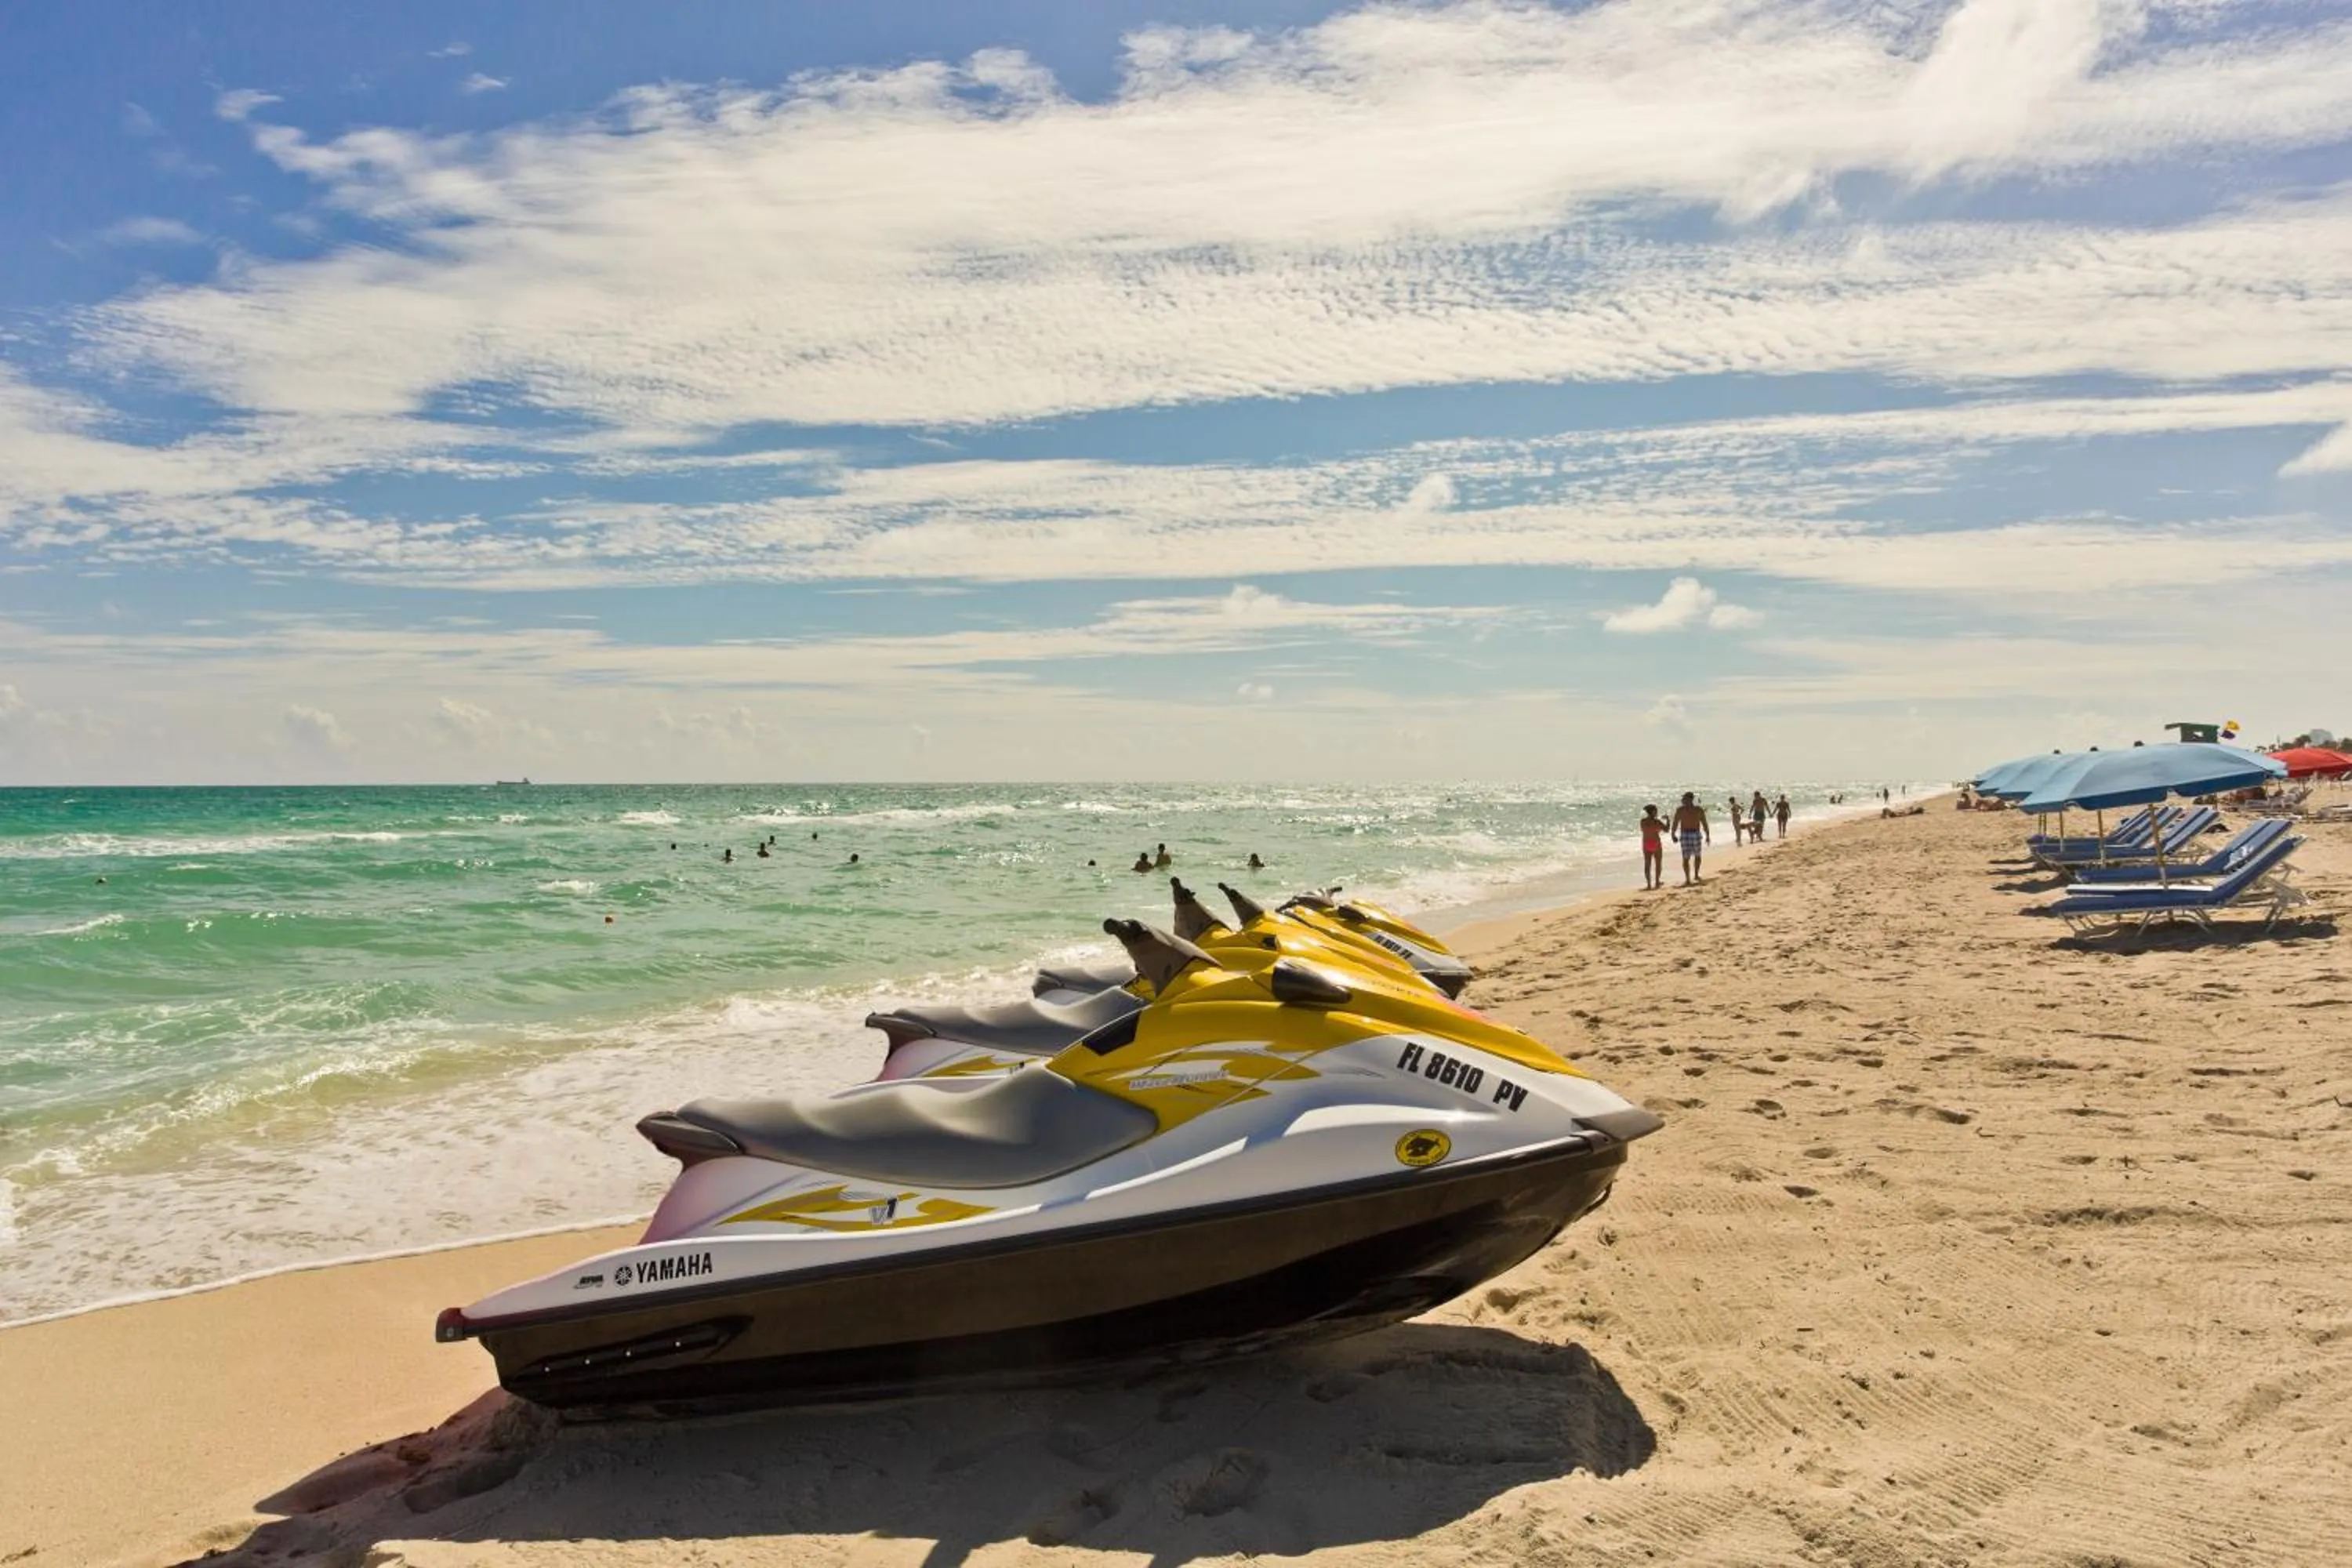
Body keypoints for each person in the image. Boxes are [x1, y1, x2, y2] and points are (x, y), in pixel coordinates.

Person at [1671, 792, 1710, 884]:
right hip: (1685, 834)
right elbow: (1675, 823)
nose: (1682, 800)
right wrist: (1673, 834)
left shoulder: (1698, 810)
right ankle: (1688, 878)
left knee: (1697, 856)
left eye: (1684, 799)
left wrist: (1708, 835)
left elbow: (1704, 823)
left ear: (1690, 799)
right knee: (1686, 858)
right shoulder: (1680, 810)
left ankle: (1696, 874)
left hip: (1695, 834)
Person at [1639, 804, 1665, 890]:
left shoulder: (1642, 822)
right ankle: (1657, 882)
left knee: (1647, 864)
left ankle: (1649, 884)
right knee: (1658, 863)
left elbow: (1644, 830)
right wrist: (1668, 820)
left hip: (1646, 843)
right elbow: (1666, 829)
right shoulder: (1657, 822)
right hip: (1656, 843)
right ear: (1653, 812)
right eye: (1656, 811)